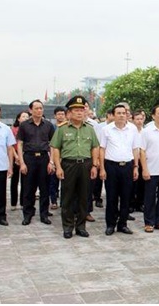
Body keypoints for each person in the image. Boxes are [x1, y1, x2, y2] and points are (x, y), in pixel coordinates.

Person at [50, 96, 100, 239]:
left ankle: (81, 226)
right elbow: (56, 148)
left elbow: (95, 147)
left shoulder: (90, 129)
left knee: (84, 197)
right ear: (69, 113)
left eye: (81, 110)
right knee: (67, 197)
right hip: (68, 165)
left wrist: (94, 165)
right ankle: (67, 227)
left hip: (85, 164)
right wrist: (58, 167)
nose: (79, 113)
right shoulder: (62, 129)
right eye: (76, 110)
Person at [99, 104, 140, 236]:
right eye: (119, 113)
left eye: (124, 113)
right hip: (111, 166)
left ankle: (123, 224)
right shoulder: (106, 129)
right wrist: (102, 168)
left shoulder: (132, 129)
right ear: (113, 115)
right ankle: (110, 224)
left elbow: (135, 149)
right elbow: (102, 149)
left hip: (127, 166)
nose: (122, 115)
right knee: (111, 197)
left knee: (126, 197)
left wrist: (136, 167)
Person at [17, 100, 56, 225]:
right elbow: (20, 143)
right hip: (29, 158)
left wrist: (51, 162)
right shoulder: (24, 125)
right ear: (30, 110)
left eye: (41, 108)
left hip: (44, 158)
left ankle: (44, 214)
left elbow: (53, 145)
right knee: (28, 188)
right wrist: (22, 162)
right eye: (36, 108)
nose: (39, 110)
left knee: (44, 188)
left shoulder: (48, 125)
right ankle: (27, 214)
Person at [10, 111, 30, 211]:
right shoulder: (13, 129)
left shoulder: (29, 129)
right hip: (15, 156)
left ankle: (23, 202)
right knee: (14, 180)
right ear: (18, 118)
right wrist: (16, 156)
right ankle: (13, 203)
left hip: (25, 156)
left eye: (27, 116)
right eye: (23, 116)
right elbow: (11, 144)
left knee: (25, 181)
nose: (25, 118)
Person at [49, 106, 67, 210]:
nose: (60, 116)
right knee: (53, 181)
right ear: (55, 116)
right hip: (54, 158)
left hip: (65, 159)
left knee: (65, 182)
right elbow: (52, 145)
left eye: (62, 114)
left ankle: (64, 202)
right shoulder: (52, 127)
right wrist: (52, 160)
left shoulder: (68, 127)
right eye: (58, 114)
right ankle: (54, 200)